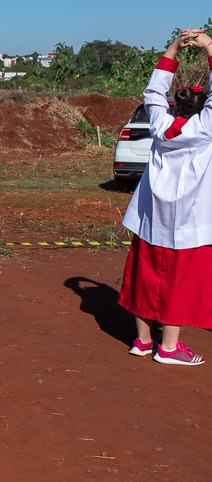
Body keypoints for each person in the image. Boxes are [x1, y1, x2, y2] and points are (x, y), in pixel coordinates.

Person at [118, 28, 212, 366]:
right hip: (188, 224)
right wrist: (210, 47)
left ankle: (143, 341)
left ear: (174, 104)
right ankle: (169, 348)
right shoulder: (204, 131)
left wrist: (173, 48)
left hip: (150, 218)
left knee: (145, 277)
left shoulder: (158, 123)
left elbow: (154, 90)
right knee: (179, 283)